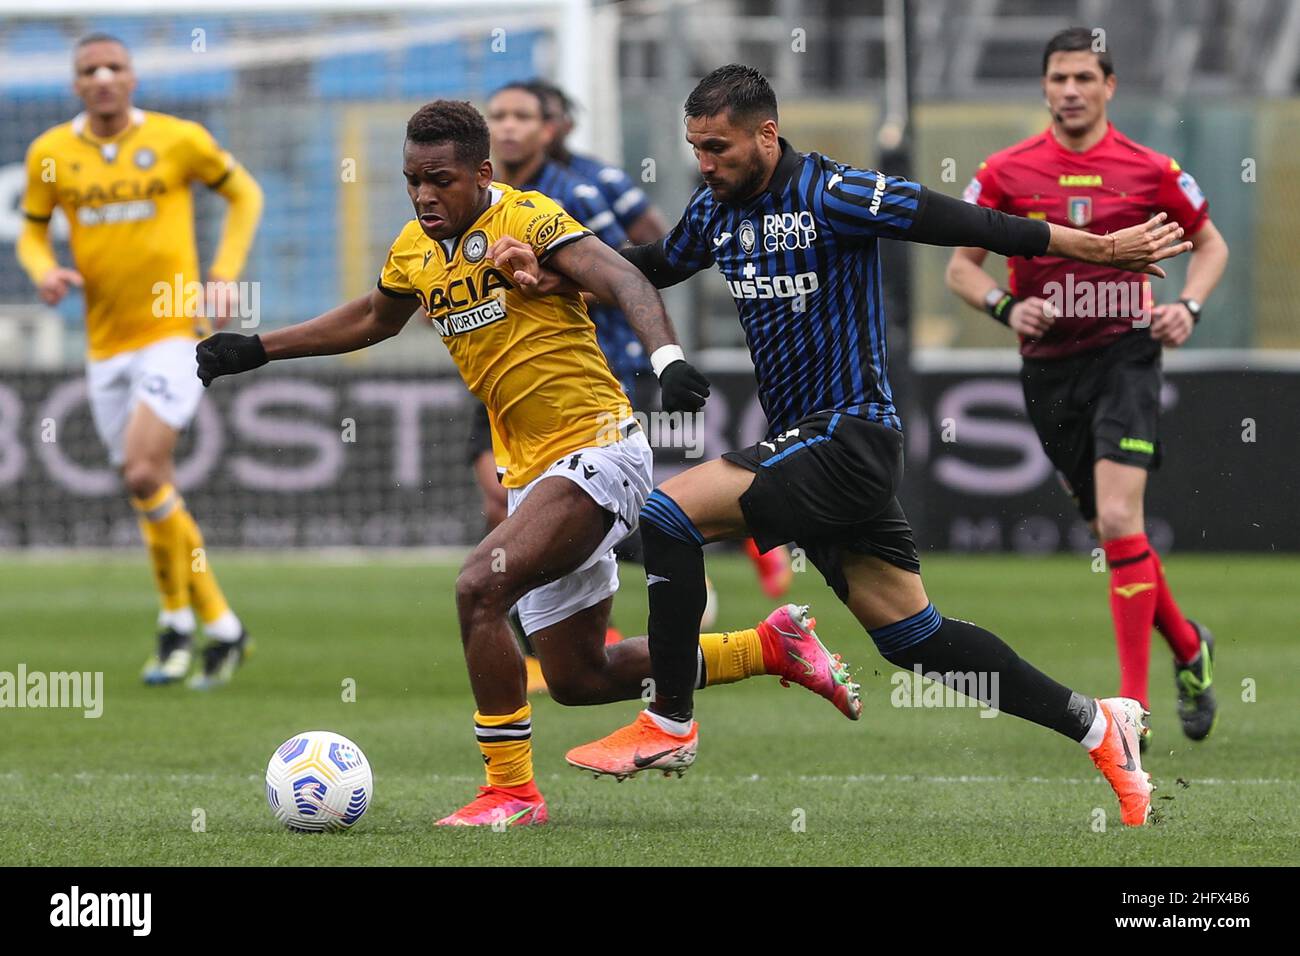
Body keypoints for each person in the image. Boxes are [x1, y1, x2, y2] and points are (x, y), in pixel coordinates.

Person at [493, 65, 1191, 826]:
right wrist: (548, 280)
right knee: (917, 640)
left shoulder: (835, 192)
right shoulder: (714, 209)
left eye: (719, 147)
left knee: (667, 515)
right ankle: (1099, 724)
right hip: (809, 447)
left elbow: (964, 222)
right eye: (695, 148)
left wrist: (1091, 248)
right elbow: (646, 270)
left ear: (767, 133)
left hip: (848, 434)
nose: (706, 163)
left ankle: (670, 721)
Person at [196, 100, 862, 828]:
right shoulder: (414, 250)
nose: (424, 195)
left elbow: (623, 278)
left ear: (482, 173)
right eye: (413, 180)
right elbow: (373, 318)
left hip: (598, 447)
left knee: (479, 588)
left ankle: (510, 792)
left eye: (440, 180)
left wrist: (668, 358)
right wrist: (257, 349)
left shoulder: (529, 219)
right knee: (579, 676)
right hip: (532, 472)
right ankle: (771, 647)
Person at [944, 28, 1228, 748]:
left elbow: (1211, 243)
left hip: (1125, 357)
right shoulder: (1007, 170)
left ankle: (1131, 710)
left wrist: (1186, 306)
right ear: (1043, 88)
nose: (1070, 90)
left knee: (1122, 517)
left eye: (1083, 78)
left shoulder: (1149, 169)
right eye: (1058, 78)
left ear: (1109, 87)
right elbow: (960, 268)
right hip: (1048, 369)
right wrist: (1006, 307)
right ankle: (1191, 648)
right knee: (1109, 529)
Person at [16, 33, 262, 689]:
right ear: (75, 84)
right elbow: (34, 229)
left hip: (175, 329)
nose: (101, 77)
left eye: (113, 67)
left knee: (144, 465)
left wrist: (223, 273)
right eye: (88, 69)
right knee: (145, 484)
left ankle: (209, 622)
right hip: (105, 345)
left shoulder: (179, 139)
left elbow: (245, 195)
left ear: (132, 78)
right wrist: (43, 270)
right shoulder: (51, 154)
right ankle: (187, 622)